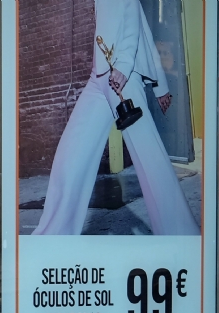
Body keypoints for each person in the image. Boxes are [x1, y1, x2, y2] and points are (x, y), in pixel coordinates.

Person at [34, 0, 200, 236]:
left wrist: (125, 66)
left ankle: (182, 237)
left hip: (123, 77)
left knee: (151, 163)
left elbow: (132, 18)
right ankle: (51, 234)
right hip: (99, 77)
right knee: (72, 154)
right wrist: (159, 83)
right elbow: (140, 23)